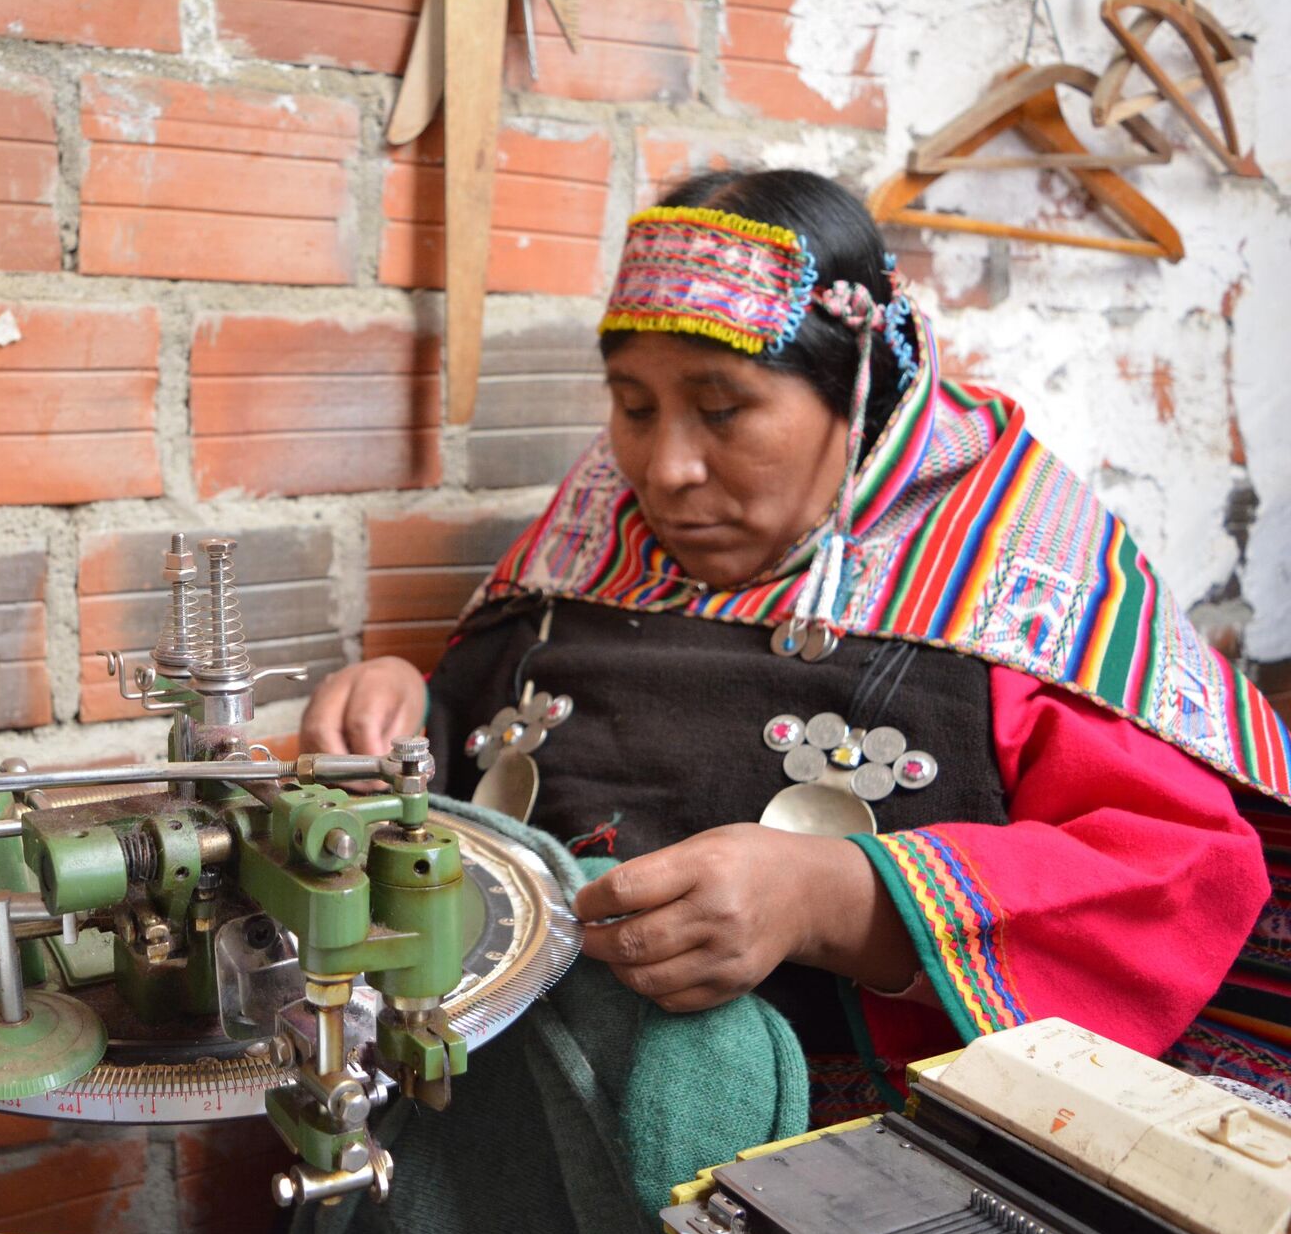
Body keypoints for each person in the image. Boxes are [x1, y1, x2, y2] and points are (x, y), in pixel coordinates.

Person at [302, 168, 1287, 1132]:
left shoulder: (1013, 570)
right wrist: (400, 699)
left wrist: (837, 899)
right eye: (634, 407)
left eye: (722, 409)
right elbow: (474, 737)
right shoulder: (589, 539)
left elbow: (1183, 875)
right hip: (519, 1127)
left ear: (859, 394)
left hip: (854, 1167)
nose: (666, 469)